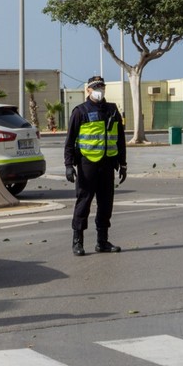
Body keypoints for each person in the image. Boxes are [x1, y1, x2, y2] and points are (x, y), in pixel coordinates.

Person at [64, 75, 127, 256]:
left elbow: (120, 140)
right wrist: (69, 165)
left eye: (102, 87)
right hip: (87, 164)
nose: (100, 90)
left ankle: (102, 242)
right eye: (96, 87)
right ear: (88, 90)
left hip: (108, 164)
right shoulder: (80, 111)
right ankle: (78, 241)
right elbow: (69, 142)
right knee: (83, 203)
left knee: (106, 204)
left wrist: (123, 164)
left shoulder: (112, 110)